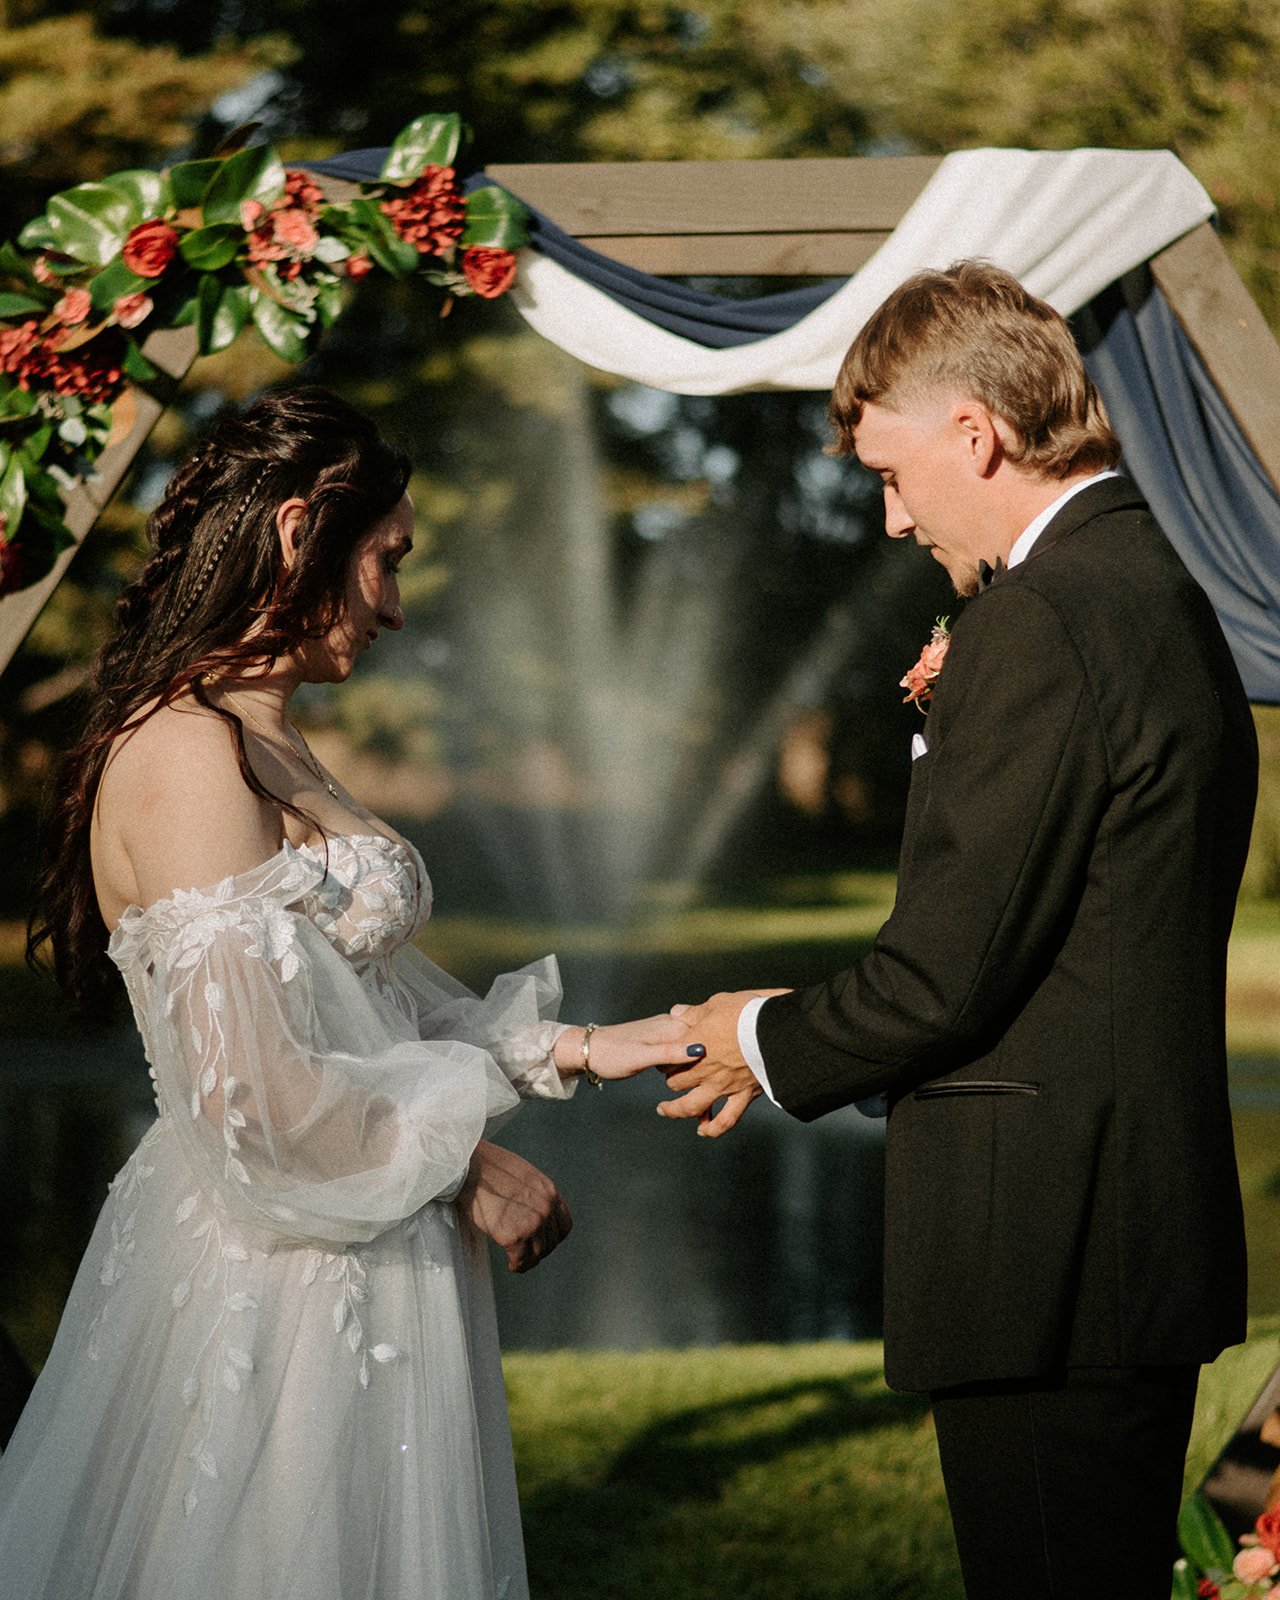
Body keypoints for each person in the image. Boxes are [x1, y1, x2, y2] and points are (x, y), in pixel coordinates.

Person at [0, 385, 700, 1600]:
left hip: (369, 1240)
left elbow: (367, 1010)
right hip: (273, 1270)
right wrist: (469, 1169)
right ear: (296, 531)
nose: (394, 605)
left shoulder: (270, 736)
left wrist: (588, 1045)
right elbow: (254, 1094)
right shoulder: (184, 752)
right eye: (386, 557)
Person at [657, 261, 1257, 1597]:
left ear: (975, 434)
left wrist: (760, 1037)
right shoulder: (1149, 586)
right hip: (1113, 1233)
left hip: (1043, 1245)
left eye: (892, 474)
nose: (890, 517)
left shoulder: (1042, 617)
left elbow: (948, 972)